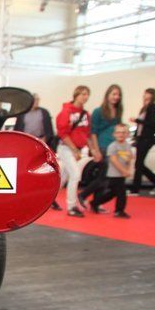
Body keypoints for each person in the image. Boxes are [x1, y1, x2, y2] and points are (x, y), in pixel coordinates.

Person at [79, 84, 122, 207]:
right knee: (104, 176)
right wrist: (96, 150)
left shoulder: (118, 111)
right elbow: (93, 132)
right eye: (114, 94)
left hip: (113, 148)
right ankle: (84, 195)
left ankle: (95, 203)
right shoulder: (98, 111)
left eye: (118, 95)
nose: (116, 97)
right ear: (108, 95)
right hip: (103, 147)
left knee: (103, 176)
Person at [55, 85, 91, 217]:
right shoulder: (66, 111)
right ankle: (71, 206)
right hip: (66, 148)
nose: (85, 97)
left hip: (78, 149)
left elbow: (86, 133)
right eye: (83, 94)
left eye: (87, 94)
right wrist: (74, 150)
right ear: (76, 95)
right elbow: (62, 133)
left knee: (64, 177)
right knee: (75, 175)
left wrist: (90, 149)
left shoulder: (86, 114)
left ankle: (49, 198)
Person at [90, 124, 134, 218]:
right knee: (122, 193)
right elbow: (114, 160)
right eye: (118, 132)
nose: (121, 134)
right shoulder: (113, 146)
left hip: (121, 174)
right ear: (114, 134)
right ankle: (119, 211)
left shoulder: (127, 146)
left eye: (123, 132)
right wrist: (123, 171)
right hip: (114, 175)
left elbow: (129, 158)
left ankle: (95, 202)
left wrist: (128, 170)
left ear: (127, 134)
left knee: (112, 193)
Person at [130, 88, 155, 195]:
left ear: (152, 95)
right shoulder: (144, 108)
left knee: (139, 164)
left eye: (148, 93)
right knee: (139, 164)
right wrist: (136, 136)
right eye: (145, 93)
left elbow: (151, 123)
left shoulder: (153, 107)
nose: (145, 95)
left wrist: (137, 120)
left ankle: (136, 189)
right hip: (141, 138)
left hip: (146, 138)